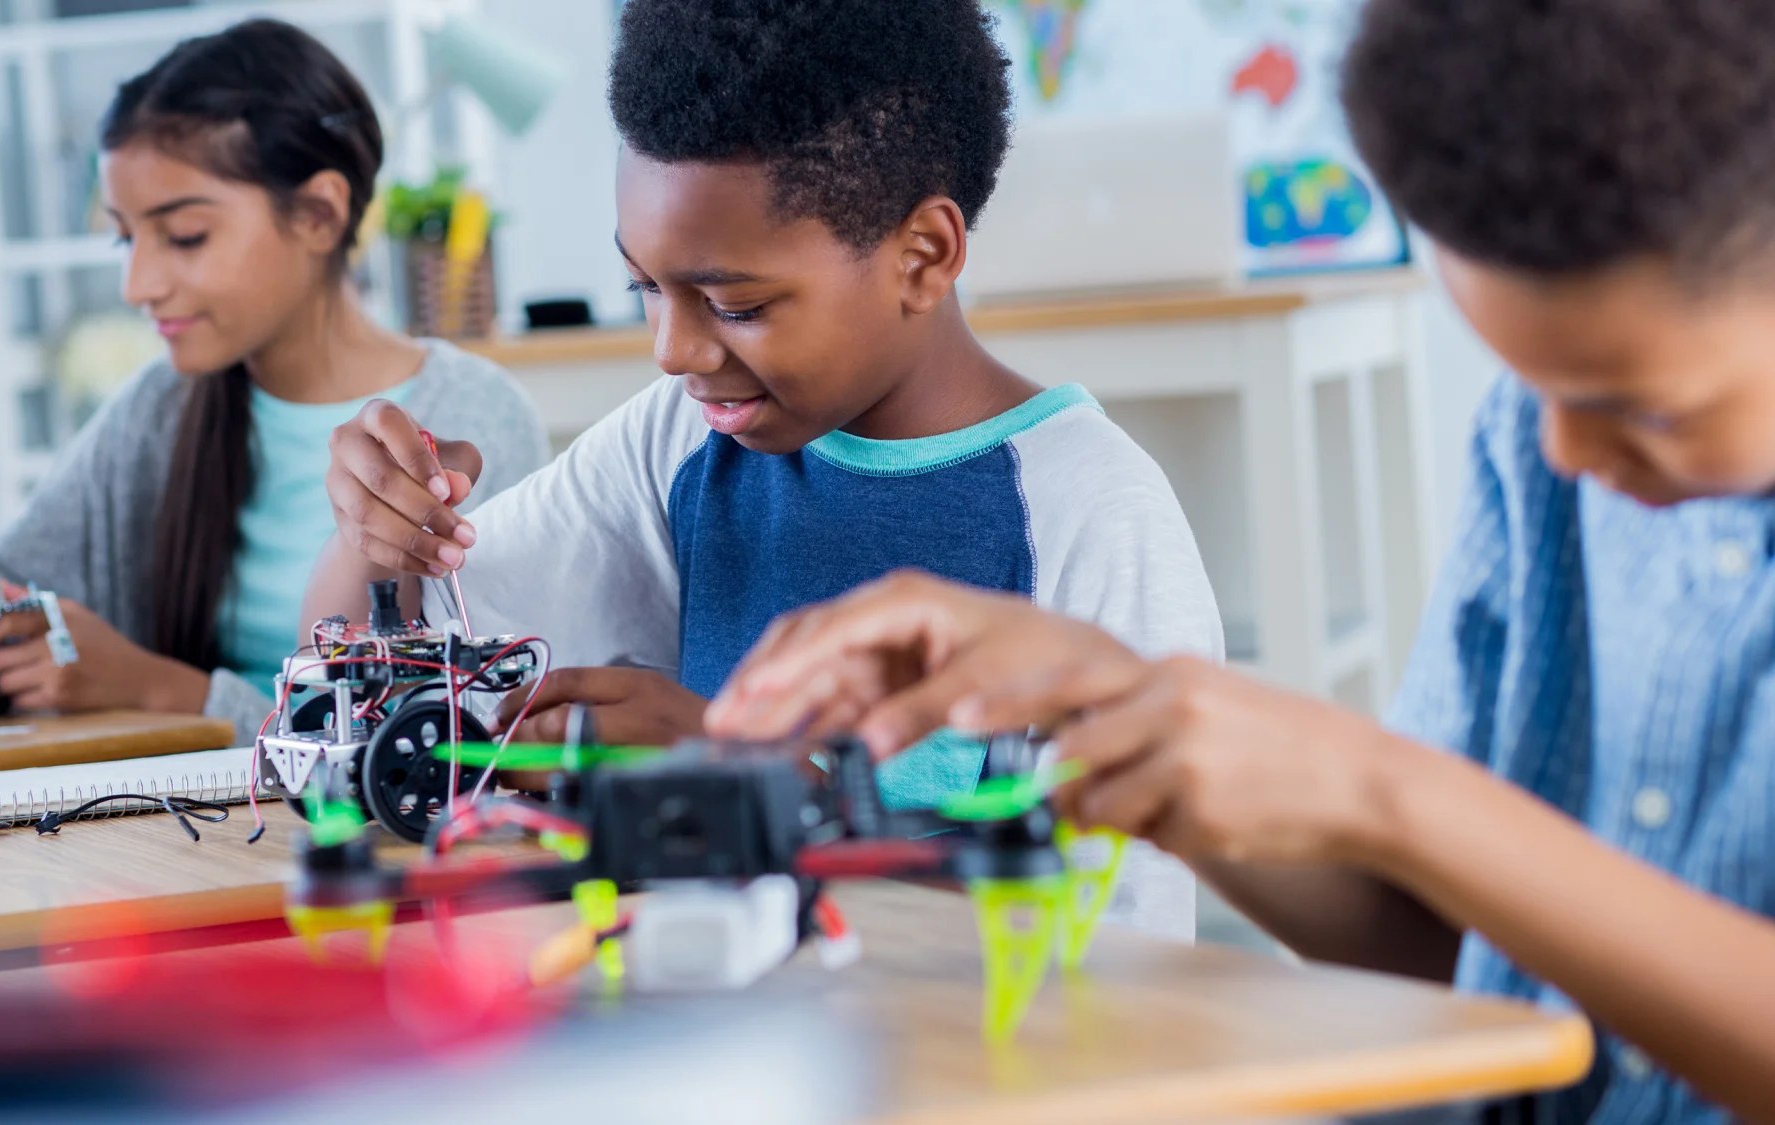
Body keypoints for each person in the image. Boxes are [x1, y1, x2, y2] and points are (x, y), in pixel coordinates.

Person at [707, 1, 1775, 1121]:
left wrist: (1390, 794)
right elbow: (1467, 967)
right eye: (1533, 384)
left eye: (1638, 409)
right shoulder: (1542, 453)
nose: (1561, 449)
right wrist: (1135, 726)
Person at [303, 0, 1222, 941]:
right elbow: (377, 667)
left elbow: (1122, 957)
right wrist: (385, 531)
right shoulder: (677, 441)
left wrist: (764, 788)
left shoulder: (1088, 513)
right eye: (646, 288)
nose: (671, 349)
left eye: (734, 304)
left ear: (924, 254)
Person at [0, 19, 546, 741]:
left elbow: (480, 728)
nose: (137, 283)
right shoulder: (160, 413)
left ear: (318, 213)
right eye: (125, 236)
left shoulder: (472, 420)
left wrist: (160, 690)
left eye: (184, 237)